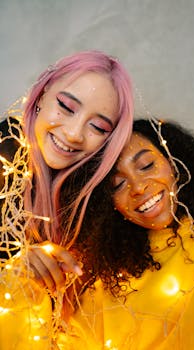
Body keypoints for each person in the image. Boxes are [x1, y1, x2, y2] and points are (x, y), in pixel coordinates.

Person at [0, 50, 133, 349]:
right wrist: (14, 272)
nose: (74, 134)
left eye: (98, 127)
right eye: (67, 106)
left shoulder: (94, 190)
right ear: (44, 92)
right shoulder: (5, 152)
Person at [70, 118, 194, 349]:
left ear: (174, 160)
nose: (138, 187)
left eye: (147, 165)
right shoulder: (107, 293)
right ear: (110, 205)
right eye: (117, 184)